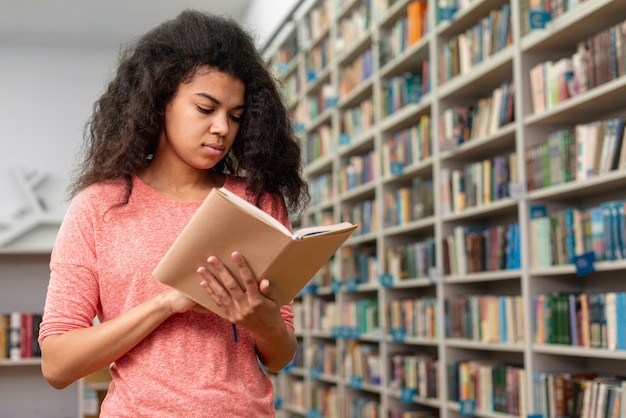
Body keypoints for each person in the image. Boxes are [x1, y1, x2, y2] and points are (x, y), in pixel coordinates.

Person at [38, 9, 309, 417]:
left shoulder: (257, 201)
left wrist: (259, 318)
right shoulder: (99, 206)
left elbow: (280, 354)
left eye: (235, 116)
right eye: (206, 109)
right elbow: (57, 364)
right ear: (160, 101)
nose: (222, 128)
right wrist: (167, 303)